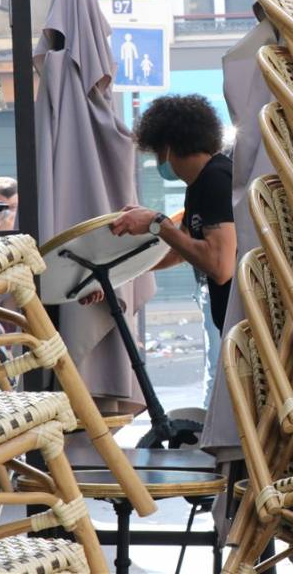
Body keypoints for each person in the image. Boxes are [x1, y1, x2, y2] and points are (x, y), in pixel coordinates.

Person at [85, 94, 236, 407]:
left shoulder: (216, 179)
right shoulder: (199, 185)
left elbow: (220, 266)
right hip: (231, 323)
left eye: (156, 152)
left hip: (245, 322)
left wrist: (156, 223)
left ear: (166, 146)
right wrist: (111, 277)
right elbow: (179, 251)